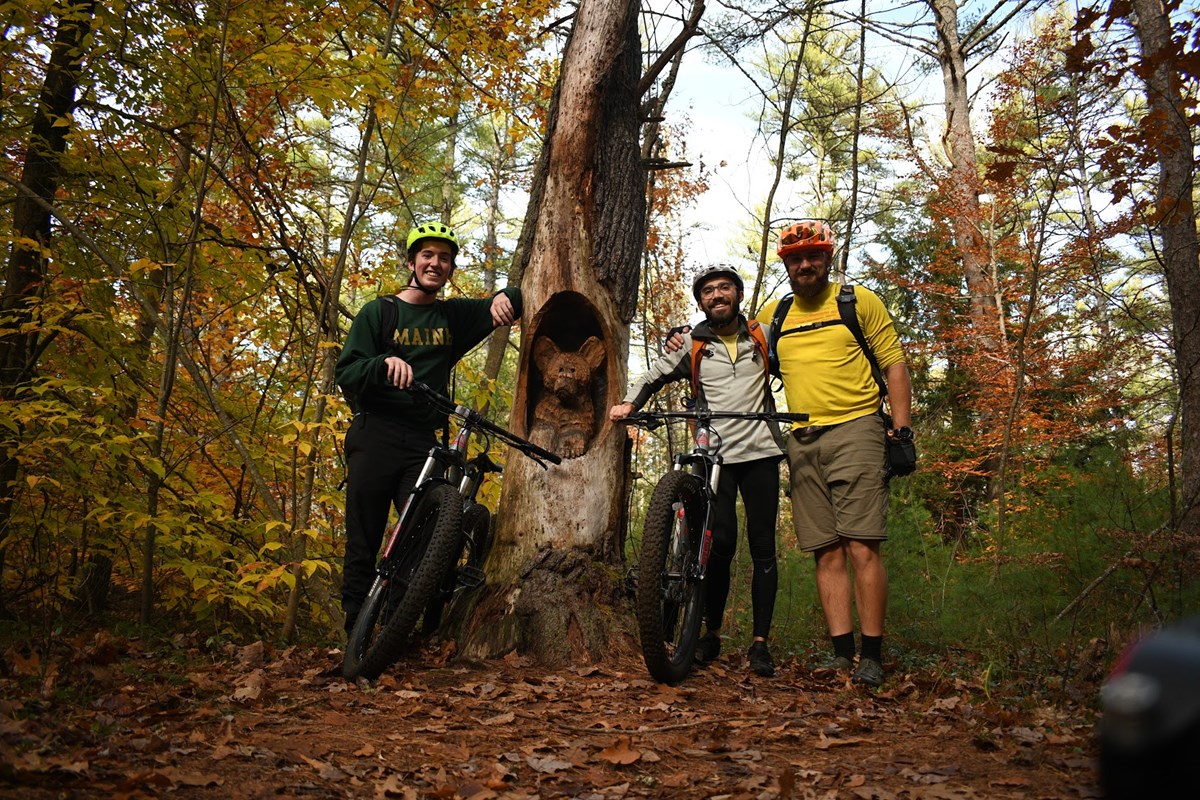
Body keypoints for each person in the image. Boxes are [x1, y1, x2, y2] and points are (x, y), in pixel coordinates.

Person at [335, 222, 521, 633]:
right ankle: (354, 632)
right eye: (427, 256)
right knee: (362, 539)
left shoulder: (451, 316)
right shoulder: (379, 312)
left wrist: (508, 297)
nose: (435, 263)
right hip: (375, 433)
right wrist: (382, 364)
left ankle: (392, 629)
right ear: (412, 262)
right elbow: (346, 370)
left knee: (422, 537)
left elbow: (514, 299)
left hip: (423, 443)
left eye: (444, 258)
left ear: (450, 268)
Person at [758, 219, 913, 687]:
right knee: (824, 551)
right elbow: (744, 362)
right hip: (802, 439)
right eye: (795, 258)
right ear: (785, 264)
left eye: (814, 256)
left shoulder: (856, 301)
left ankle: (872, 655)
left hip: (858, 428)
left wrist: (902, 433)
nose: (805, 264)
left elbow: (894, 365)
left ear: (828, 257)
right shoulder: (775, 312)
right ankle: (841, 654)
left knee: (861, 544)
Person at [611, 265, 785, 677]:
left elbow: (797, 365)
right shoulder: (693, 343)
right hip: (715, 457)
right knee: (718, 544)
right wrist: (629, 405)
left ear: (739, 295)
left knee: (763, 547)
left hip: (761, 452)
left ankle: (760, 644)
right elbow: (653, 374)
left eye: (725, 288)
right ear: (701, 301)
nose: (717, 295)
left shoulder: (763, 336)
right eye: (708, 291)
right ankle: (711, 632)